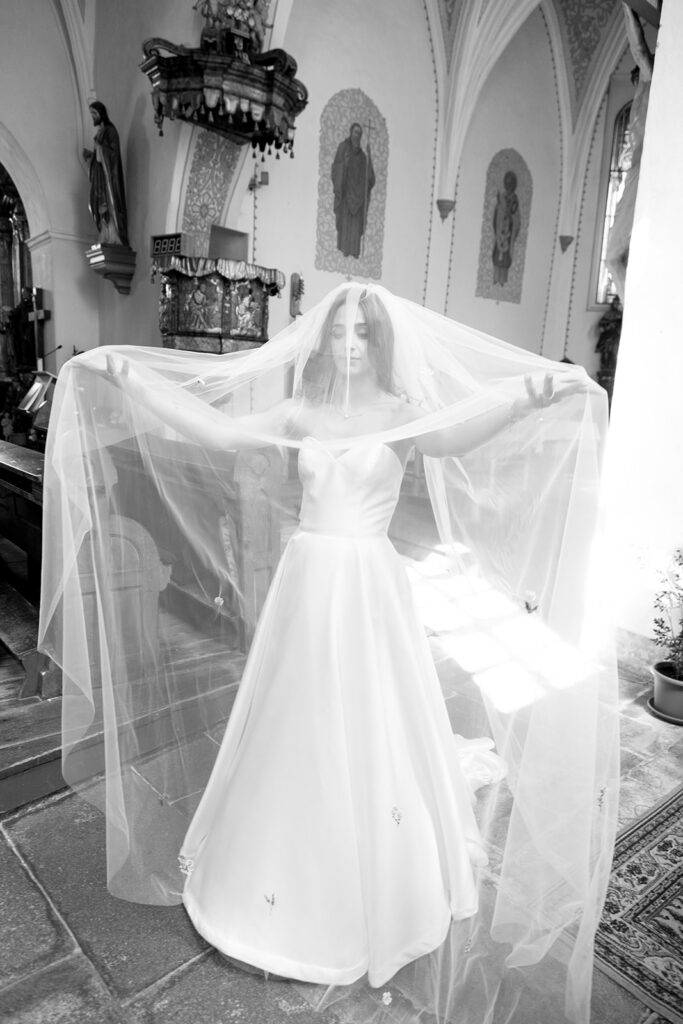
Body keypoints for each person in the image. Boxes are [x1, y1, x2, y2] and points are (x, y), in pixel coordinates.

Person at [39, 284, 617, 1024]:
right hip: (307, 582)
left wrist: (530, 396)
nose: (347, 346)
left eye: (360, 335)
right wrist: (137, 382)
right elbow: (215, 433)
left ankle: (378, 880)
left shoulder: (406, 414)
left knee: (369, 716)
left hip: (369, 583)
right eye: (337, 333)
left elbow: (460, 435)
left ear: (379, 344)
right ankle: (267, 870)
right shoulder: (300, 413)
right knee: (295, 717)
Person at [605, 4, 654, 301]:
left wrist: (628, 6)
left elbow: (638, 48)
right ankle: (635, 307)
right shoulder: (644, 97)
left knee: (612, 257)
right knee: (615, 257)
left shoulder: (652, 86)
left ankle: (635, 311)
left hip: (642, 175)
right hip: (638, 176)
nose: (637, 79)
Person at [83, 101, 130, 248]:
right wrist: (91, 157)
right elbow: (97, 160)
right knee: (100, 207)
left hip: (109, 180)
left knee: (109, 206)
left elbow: (113, 156)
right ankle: (105, 235)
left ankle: (114, 236)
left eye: (95, 114)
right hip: (99, 180)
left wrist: (100, 150)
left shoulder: (110, 131)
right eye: (91, 114)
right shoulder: (100, 133)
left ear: (101, 114)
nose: (93, 117)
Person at [331, 123, 376, 258]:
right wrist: (344, 164)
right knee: (345, 223)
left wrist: (370, 156)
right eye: (356, 132)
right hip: (346, 194)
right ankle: (344, 248)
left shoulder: (363, 157)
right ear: (351, 133)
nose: (357, 136)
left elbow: (369, 179)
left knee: (355, 225)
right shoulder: (343, 148)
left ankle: (355, 251)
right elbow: (335, 169)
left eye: (360, 134)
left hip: (358, 197)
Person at [491, 170, 520, 286]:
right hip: (500, 233)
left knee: (506, 258)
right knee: (497, 255)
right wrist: (500, 211)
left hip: (508, 234)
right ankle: (496, 277)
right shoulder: (502, 197)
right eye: (507, 183)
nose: (509, 186)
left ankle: (502, 279)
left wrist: (511, 218)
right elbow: (496, 214)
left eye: (511, 183)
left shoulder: (515, 199)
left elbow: (517, 217)